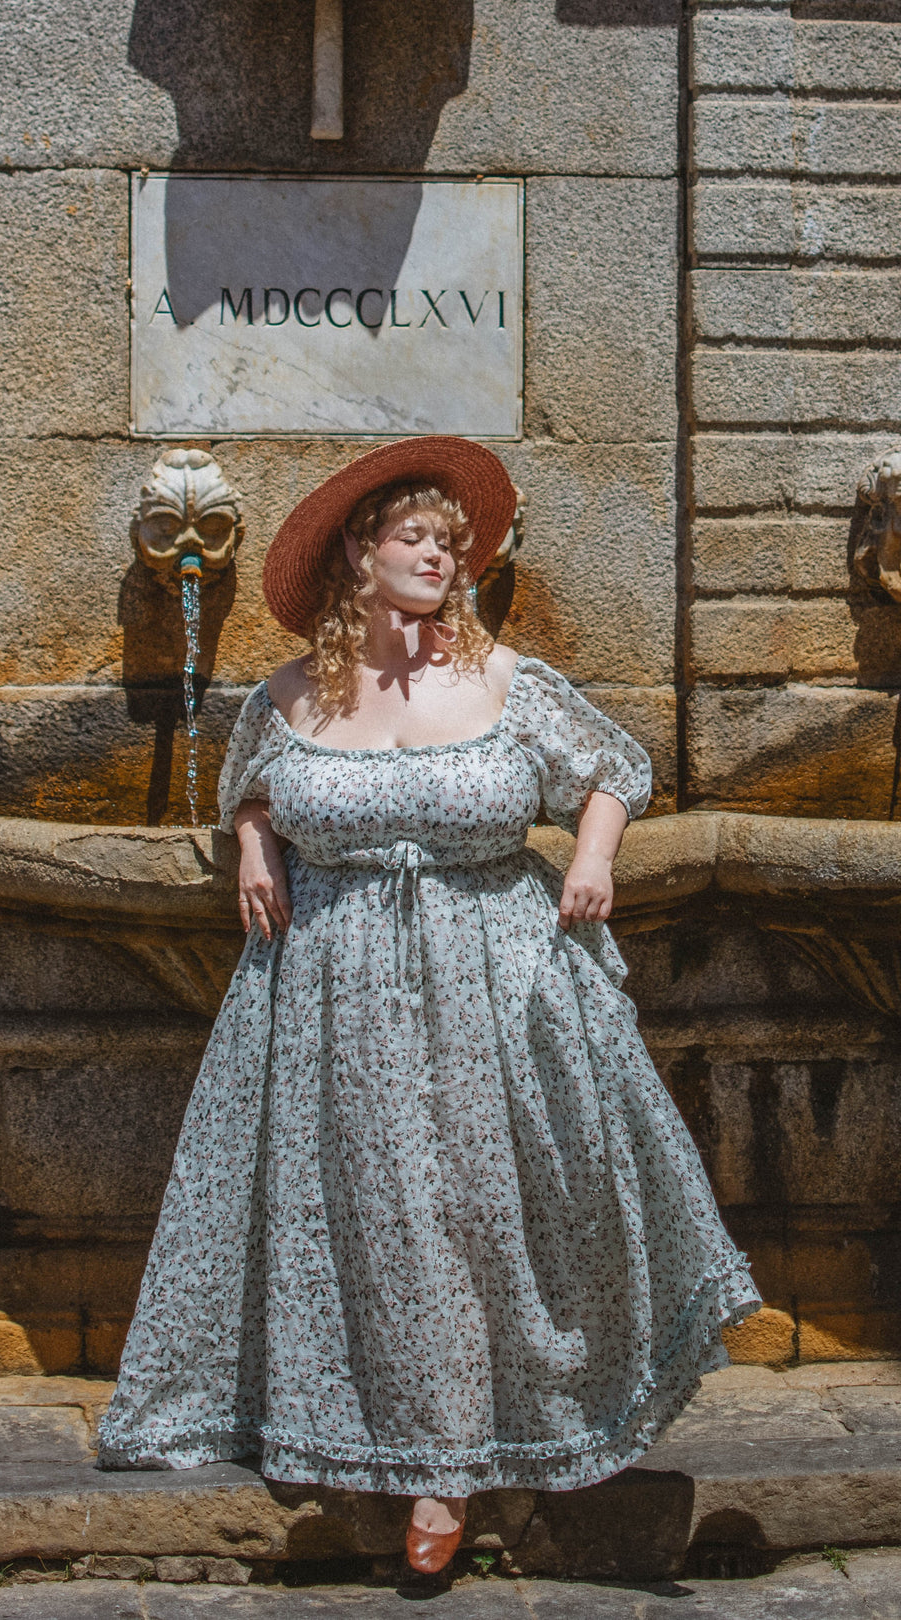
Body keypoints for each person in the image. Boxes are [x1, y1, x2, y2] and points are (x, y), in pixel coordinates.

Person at [97, 436, 760, 1575]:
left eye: (450, 543)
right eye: (416, 538)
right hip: (336, 994)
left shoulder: (503, 680)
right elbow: (249, 789)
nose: (441, 558)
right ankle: (410, 1450)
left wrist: (593, 857)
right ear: (360, 555)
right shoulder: (290, 695)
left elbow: (613, 769)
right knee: (373, 1218)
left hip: (498, 985)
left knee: (475, 1215)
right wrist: (254, 845)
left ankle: (471, 1450)